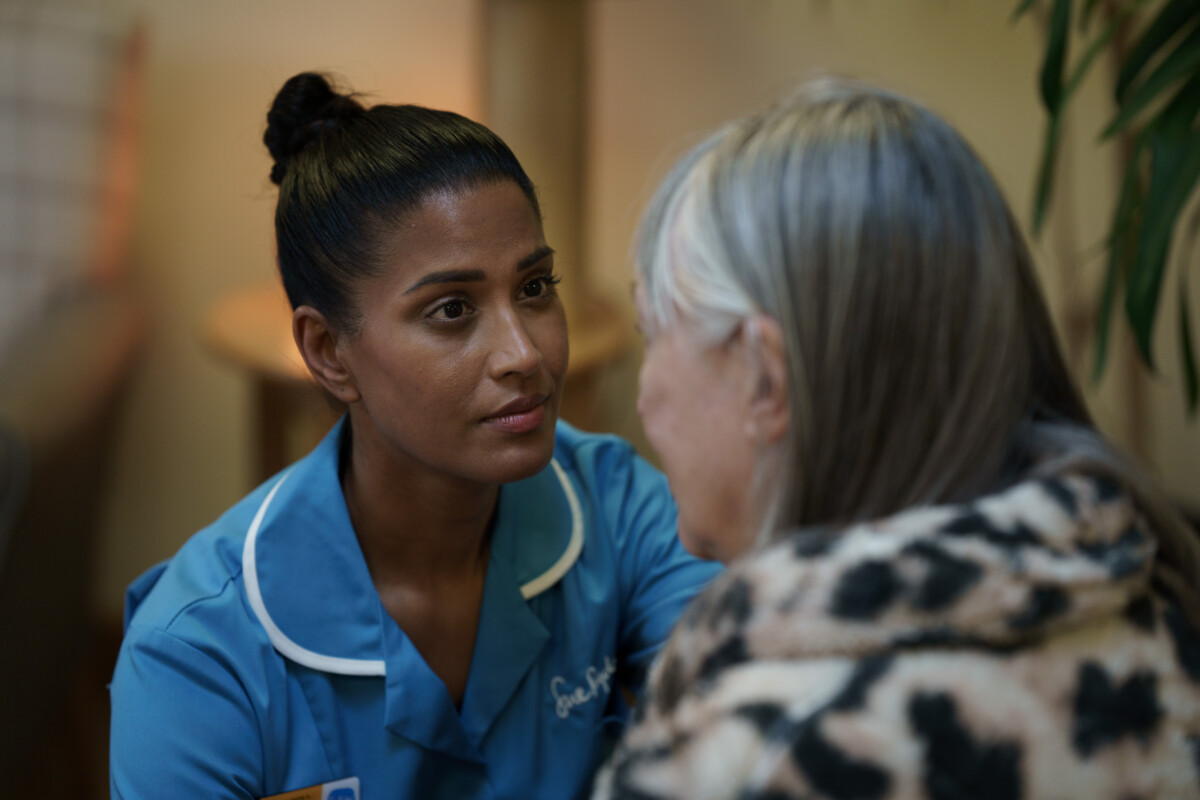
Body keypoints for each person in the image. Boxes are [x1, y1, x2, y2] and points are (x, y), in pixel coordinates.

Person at [109, 72, 720, 800]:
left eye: (534, 288)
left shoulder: (620, 510)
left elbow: (754, 733)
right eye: (453, 309)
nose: (524, 353)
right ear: (330, 352)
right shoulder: (197, 655)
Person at [593, 78, 1200, 800]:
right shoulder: (1165, 617)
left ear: (764, 379)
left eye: (654, 332)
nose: (643, 394)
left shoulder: (748, 761)